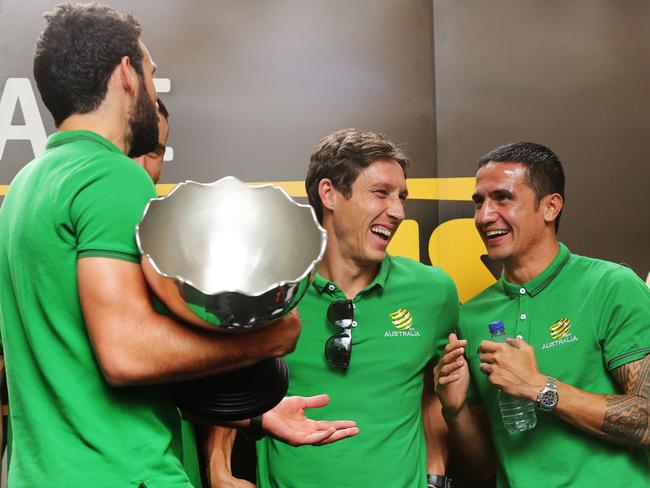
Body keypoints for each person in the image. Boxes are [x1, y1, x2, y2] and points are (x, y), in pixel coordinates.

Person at [0, 4, 355, 487]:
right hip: (123, 473)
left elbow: (75, 363)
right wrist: (265, 340)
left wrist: (255, 416)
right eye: (150, 72)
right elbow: (125, 354)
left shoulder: (28, 185)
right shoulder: (111, 176)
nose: (151, 86)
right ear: (126, 73)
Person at [209, 128, 460, 488]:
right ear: (329, 193)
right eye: (380, 194)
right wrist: (219, 468)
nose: (398, 211)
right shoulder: (268, 290)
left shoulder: (434, 292)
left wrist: (435, 474)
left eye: (401, 196)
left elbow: (433, 392)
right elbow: (229, 382)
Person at [435, 142, 650, 487]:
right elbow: (485, 467)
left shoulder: (610, 285)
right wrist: (456, 410)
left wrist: (540, 387)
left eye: (502, 198)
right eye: (479, 201)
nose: (484, 216)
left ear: (550, 207)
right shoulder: (471, 316)